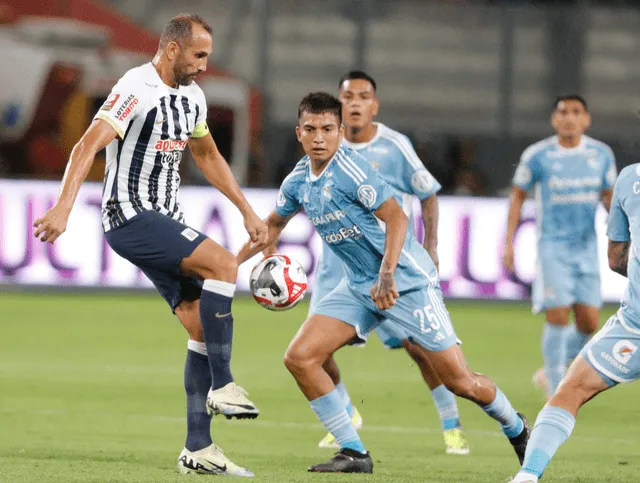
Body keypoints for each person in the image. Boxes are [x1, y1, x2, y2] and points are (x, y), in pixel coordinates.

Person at [238, 92, 529, 474]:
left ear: (341, 132)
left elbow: (396, 218)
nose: (320, 137)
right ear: (299, 133)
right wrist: (237, 264)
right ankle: (354, 453)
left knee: (461, 381)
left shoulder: (353, 172)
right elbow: (272, 224)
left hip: (406, 282)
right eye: (311, 129)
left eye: (328, 128)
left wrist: (388, 272)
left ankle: (518, 427)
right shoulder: (298, 181)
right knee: (301, 357)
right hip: (359, 287)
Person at [32, 14, 268, 477]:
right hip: (130, 214)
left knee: (202, 328)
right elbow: (85, 146)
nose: (204, 65)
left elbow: (207, 154)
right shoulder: (134, 87)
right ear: (173, 49)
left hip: (165, 216)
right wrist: (63, 207)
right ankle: (224, 385)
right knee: (222, 264)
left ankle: (198, 449)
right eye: (199, 55)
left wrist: (246, 209)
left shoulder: (194, 98)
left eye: (208, 56)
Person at [311, 70, 469, 455]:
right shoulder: (323, 146)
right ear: (338, 103)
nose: (355, 104)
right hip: (337, 268)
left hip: (389, 268)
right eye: (348, 97)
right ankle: (346, 414)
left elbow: (427, 194)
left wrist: (430, 246)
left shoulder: (394, 146)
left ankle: (451, 425)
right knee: (317, 351)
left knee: (419, 347)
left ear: (374, 105)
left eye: (363, 97)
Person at [507, 163, 636, 483]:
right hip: (632, 324)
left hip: (634, 324)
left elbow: (616, 258)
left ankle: (528, 476)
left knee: (570, 391)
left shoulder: (631, 177)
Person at [503, 95, 617, 398]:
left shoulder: (600, 154)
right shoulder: (538, 155)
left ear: (586, 119)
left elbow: (609, 197)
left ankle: (550, 370)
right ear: (554, 119)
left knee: (589, 322)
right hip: (552, 247)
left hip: (586, 247)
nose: (569, 117)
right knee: (557, 314)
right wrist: (508, 243)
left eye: (576, 112)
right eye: (563, 112)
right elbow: (517, 196)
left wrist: (622, 232)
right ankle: (556, 388)